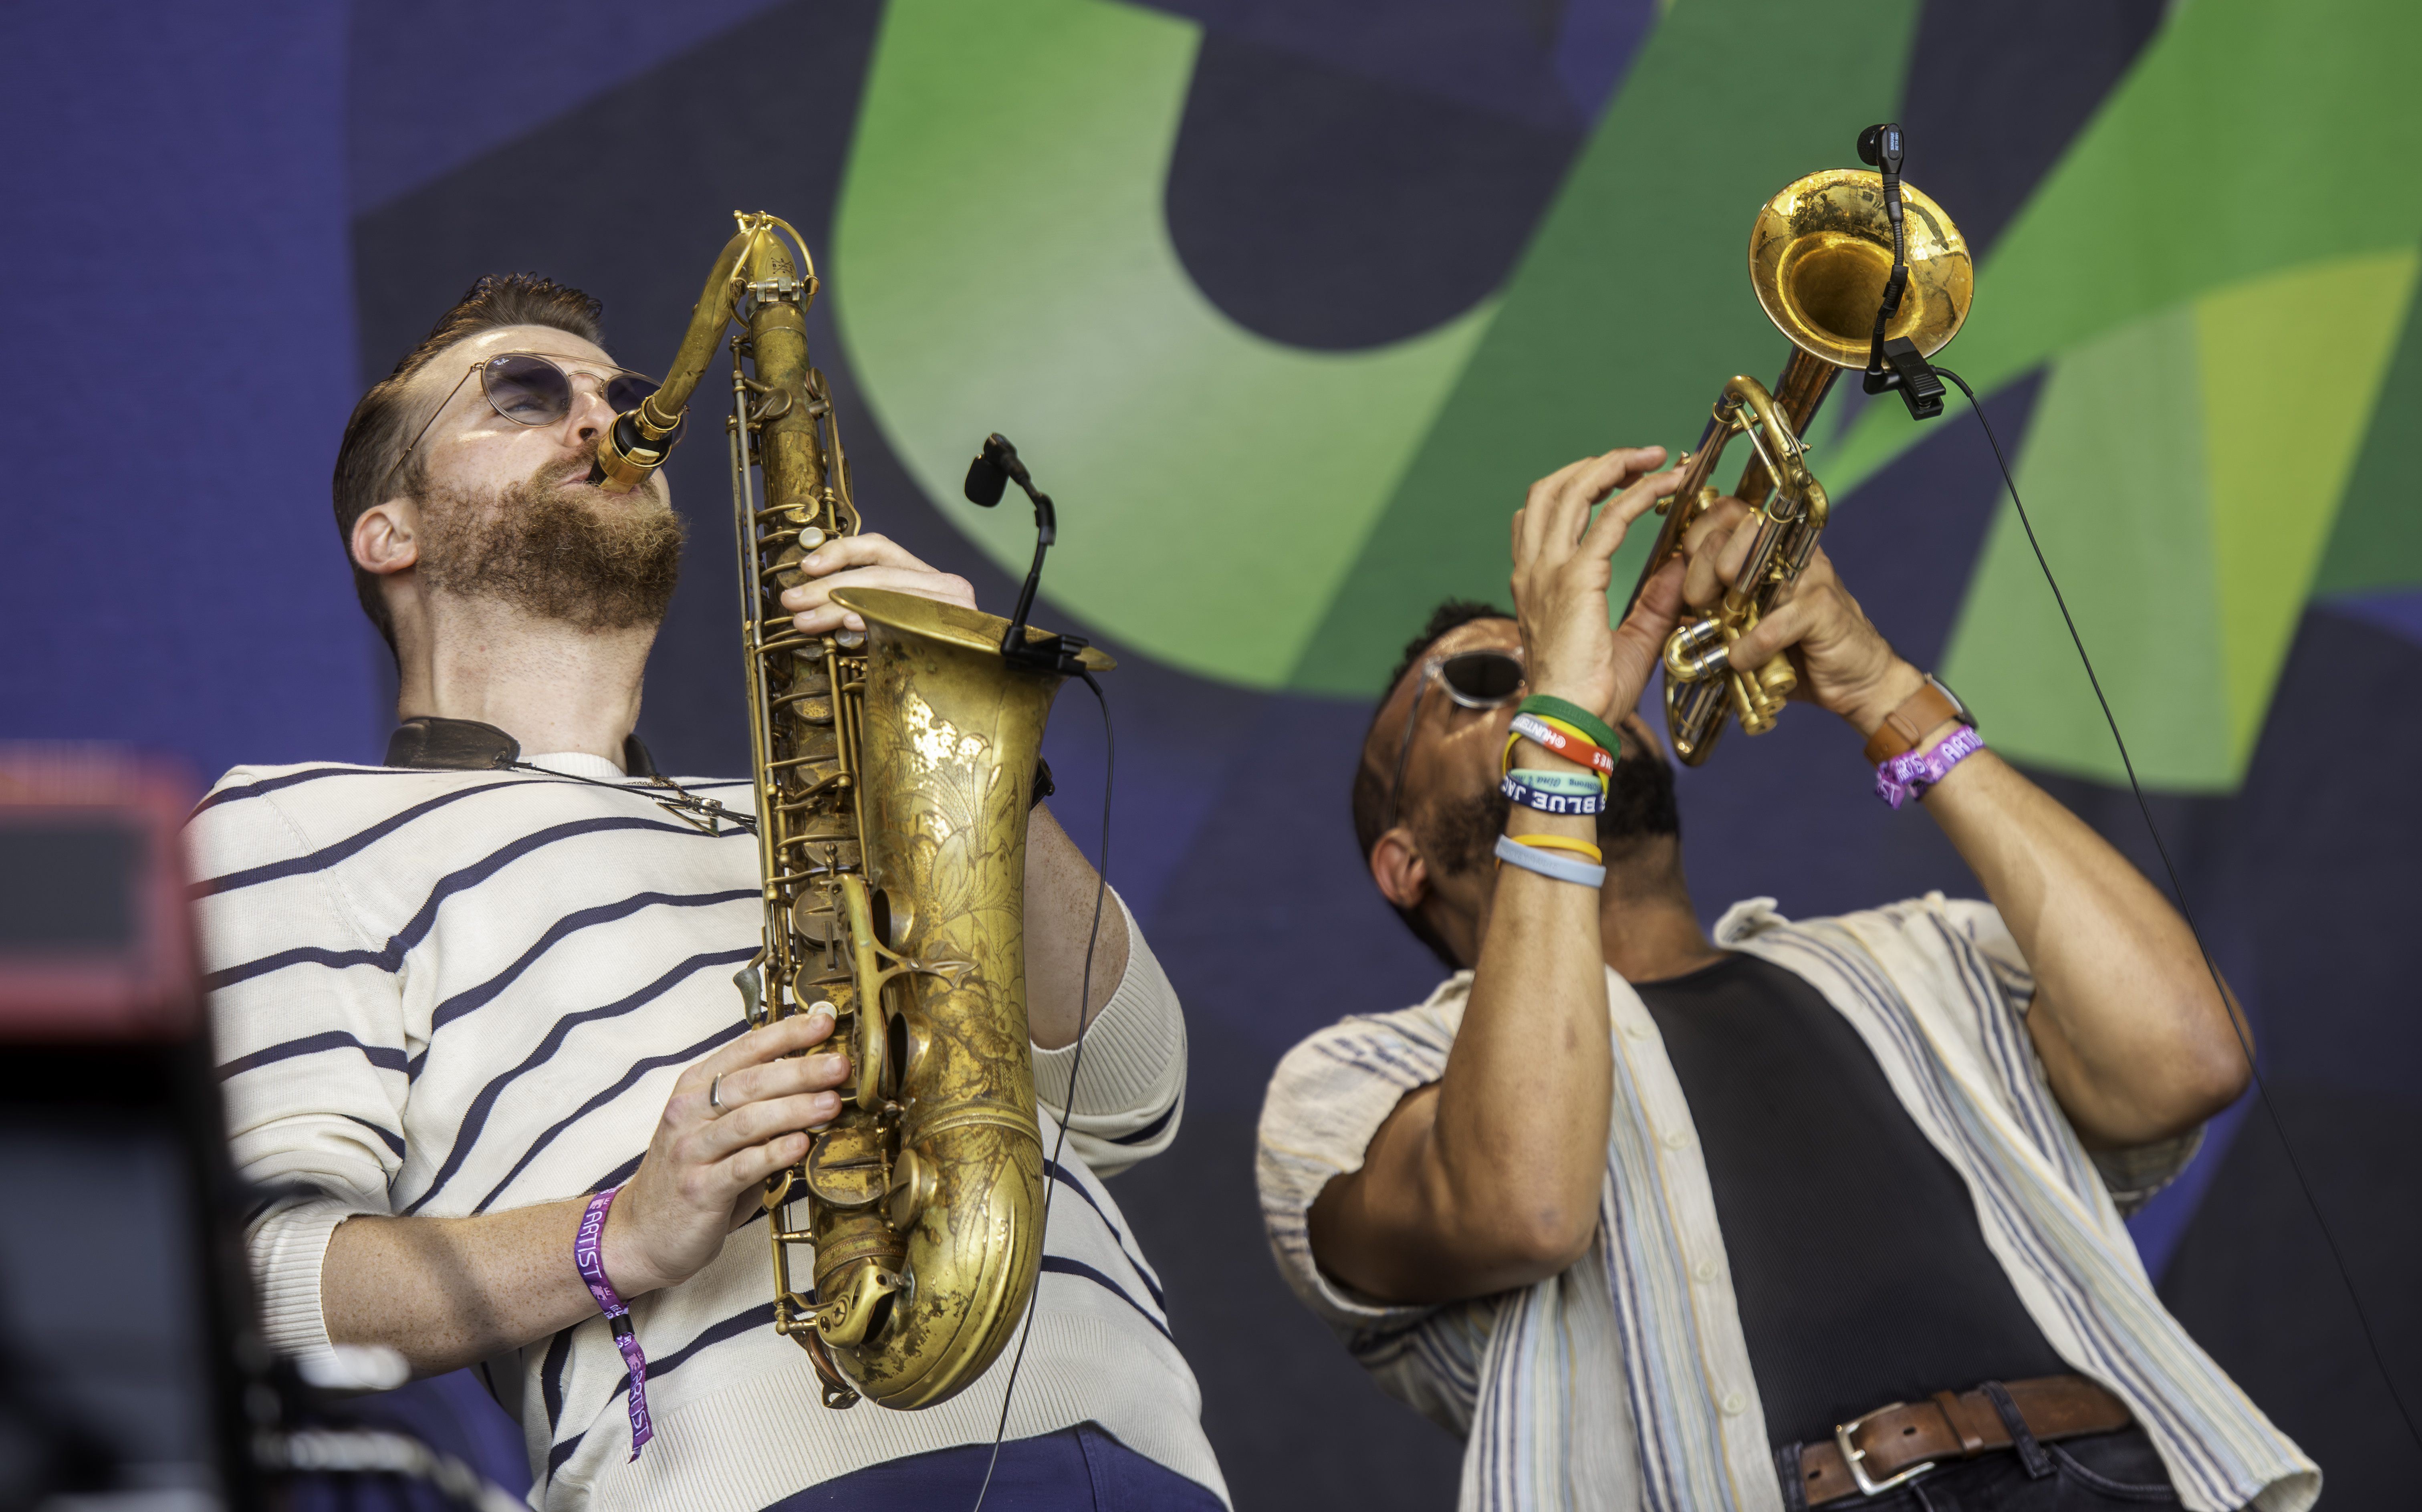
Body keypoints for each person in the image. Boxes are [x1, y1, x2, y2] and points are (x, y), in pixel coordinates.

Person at [192, 274, 1227, 1510]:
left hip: (1143, 1456)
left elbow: (1126, 1098)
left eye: (623, 394)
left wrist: (948, 733)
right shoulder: (294, 823)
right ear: (389, 531)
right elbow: (253, 1280)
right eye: (520, 396)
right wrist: (619, 1231)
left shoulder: (838, 792)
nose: (604, 418)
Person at [1254, 446, 2317, 1512]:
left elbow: (2188, 1056)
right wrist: (1561, 738)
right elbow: (1524, 1208)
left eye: (1557, 663)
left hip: (2114, 1481)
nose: (1549, 683)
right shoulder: (1354, 1084)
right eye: (1488, 684)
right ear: (1401, 862)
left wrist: (1884, 689)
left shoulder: (1920, 953)